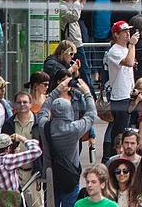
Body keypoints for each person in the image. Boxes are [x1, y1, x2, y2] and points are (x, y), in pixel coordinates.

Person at [39, 75, 96, 207]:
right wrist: (87, 93)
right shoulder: (74, 128)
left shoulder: (45, 126)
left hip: (50, 175)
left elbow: (43, 111)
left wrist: (56, 91)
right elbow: (91, 114)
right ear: (69, 111)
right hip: (69, 176)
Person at [104, 21, 140, 161]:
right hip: (119, 96)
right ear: (116, 34)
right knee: (119, 129)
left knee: (126, 127)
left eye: (128, 31)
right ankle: (114, 155)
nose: (128, 34)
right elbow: (129, 62)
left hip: (128, 93)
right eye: (124, 32)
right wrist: (132, 44)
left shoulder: (125, 49)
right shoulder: (114, 51)